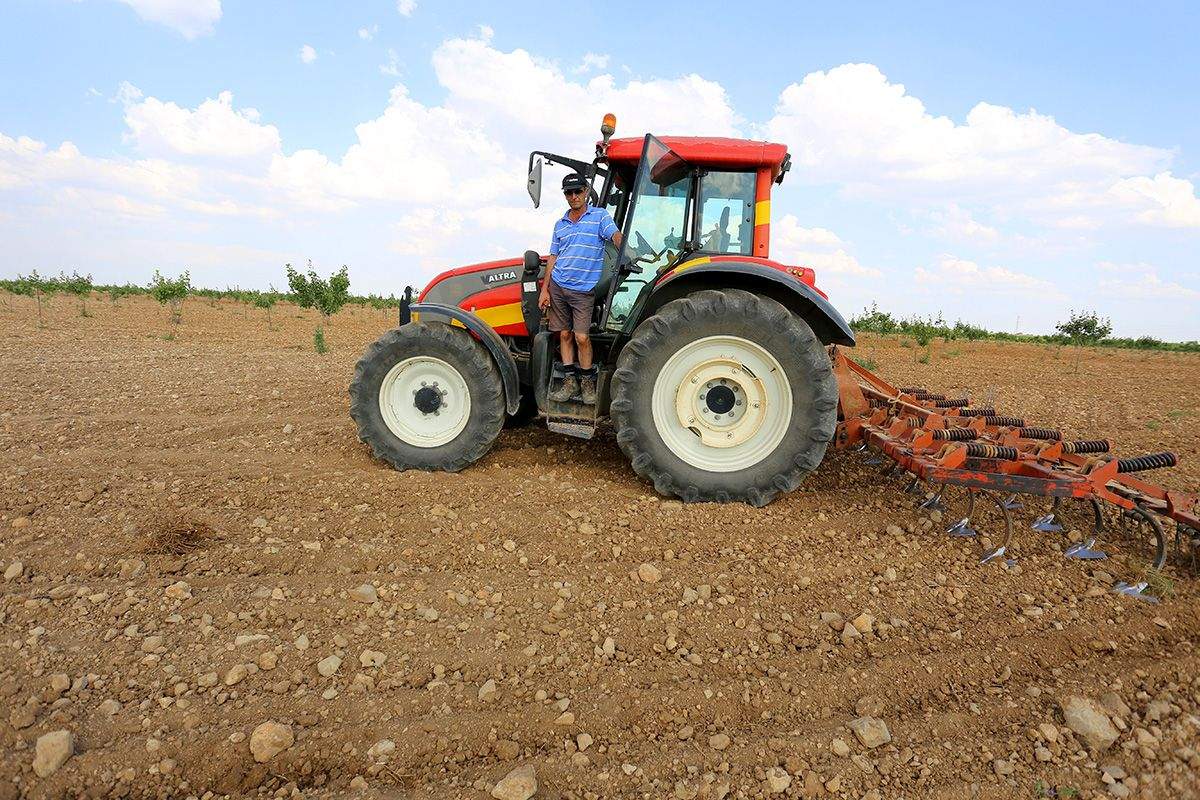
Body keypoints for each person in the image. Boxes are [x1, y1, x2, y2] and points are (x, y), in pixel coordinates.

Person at [539, 172, 623, 404]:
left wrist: (623, 245)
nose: (574, 196)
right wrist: (545, 289)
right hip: (558, 285)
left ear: (586, 192)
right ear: (565, 195)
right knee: (564, 334)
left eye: (578, 191)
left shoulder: (599, 217)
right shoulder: (560, 224)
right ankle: (569, 382)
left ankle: (587, 384)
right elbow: (553, 257)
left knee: (582, 337)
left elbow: (614, 235)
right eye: (569, 192)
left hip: (583, 289)